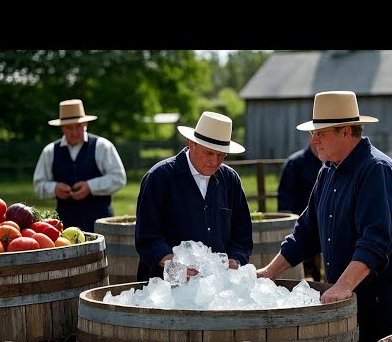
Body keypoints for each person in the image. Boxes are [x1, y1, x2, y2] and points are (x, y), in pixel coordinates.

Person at [256, 90, 392, 342]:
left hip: (384, 296)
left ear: (345, 132)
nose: (313, 140)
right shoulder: (328, 170)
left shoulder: (376, 170)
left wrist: (343, 286)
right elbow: (307, 231)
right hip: (348, 294)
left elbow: (375, 242)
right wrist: (269, 272)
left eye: (320, 133)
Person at [135, 111, 253, 282]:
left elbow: (242, 233)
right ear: (192, 144)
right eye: (209, 153)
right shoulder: (160, 177)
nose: (215, 161)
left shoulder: (230, 179)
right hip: (163, 289)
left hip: (216, 287)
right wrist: (171, 263)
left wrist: (236, 259)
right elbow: (147, 236)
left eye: (221, 155)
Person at [33, 99, 127, 232]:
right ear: (62, 127)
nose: (74, 132)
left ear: (86, 123)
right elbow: (38, 184)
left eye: (78, 126)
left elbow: (119, 178)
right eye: (69, 127)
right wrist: (55, 188)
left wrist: (90, 186)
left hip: (100, 222)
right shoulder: (50, 151)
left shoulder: (102, 146)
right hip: (63, 225)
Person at [277, 134, 324, 281]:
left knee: (317, 273)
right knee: (301, 273)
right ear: (311, 138)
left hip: (321, 226)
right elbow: (286, 199)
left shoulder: (328, 163)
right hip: (301, 228)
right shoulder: (295, 163)